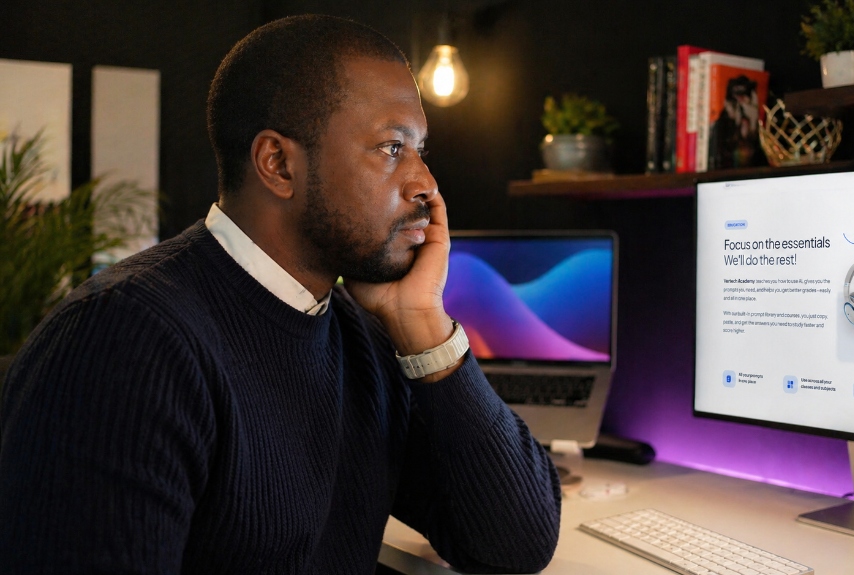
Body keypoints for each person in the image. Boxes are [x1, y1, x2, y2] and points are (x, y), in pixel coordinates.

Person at [0, 15, 561, 575]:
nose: (426, 184)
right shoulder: (124, 342)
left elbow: (516, 545)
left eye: (421, 151)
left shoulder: (364, 338)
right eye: (392, 148)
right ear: (278, 164)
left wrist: (423, 325)